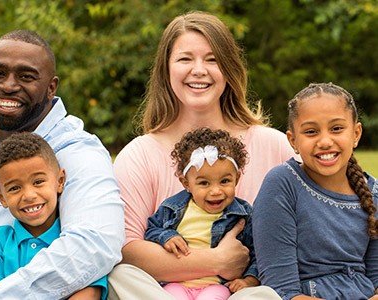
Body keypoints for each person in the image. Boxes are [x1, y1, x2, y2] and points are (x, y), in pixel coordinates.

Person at [109, 11, 293, 300]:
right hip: (166, 294)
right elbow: (126, 248)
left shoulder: (275, 145)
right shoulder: (139, 155)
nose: (198, 70)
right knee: (120, 276)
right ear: (166, 69)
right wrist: (217, 261)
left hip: (245, 291)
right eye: (185, 59)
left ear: (229, 69)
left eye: (212, 59)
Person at [0, 30, 124, 300]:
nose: (9, 86)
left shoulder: (77, 152)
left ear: (51, 87)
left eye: (26, 76)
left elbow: (94, 245)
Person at [252, 82, 378, 300]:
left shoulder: (373, 193)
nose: (325, 141)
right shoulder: (282, 184)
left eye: (337, 128)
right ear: (293, 140)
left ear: (356, 133)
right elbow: (281, 289)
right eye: (311, 132)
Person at [0, 132, 108, 300]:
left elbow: (90, 293)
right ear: (1, 197)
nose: (29, 195)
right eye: (14, 188)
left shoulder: (76, 244)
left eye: (38, 182)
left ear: (60, 181)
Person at [145, 127, 260, 299]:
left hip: (216, 286)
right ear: (186, 183)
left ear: (237, 177)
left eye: (225, 181)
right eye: (204, 183)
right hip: (176, 283)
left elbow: (257, 254)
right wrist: (166, 236)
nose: (216, 191)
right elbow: (151, 230)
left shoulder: (243, 215)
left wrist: (249, 281)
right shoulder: (172, 208)